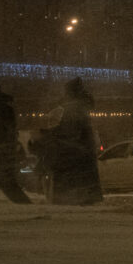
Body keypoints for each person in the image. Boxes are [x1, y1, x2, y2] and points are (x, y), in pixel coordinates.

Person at [46, 77, 103, 205]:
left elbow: (70, 132)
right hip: (82, 154)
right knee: (83, 182)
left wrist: (51, 133)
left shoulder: (73, 110)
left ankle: (70, 200)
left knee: (72, 180)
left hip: (75, 154)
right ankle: (84, 200)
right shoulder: (80, 108)